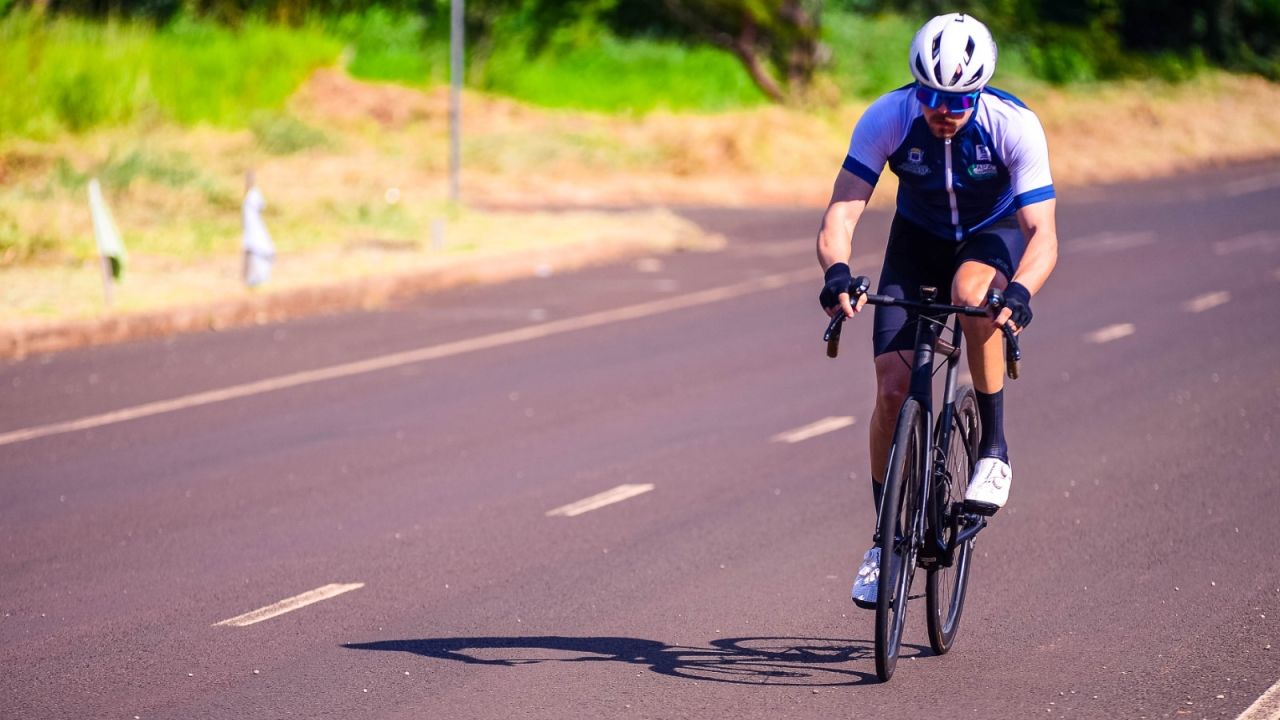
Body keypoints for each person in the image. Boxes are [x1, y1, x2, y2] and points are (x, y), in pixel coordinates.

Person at [815, 13, 1058, 608]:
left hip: (988, 234)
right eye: (931, 96)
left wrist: (1021, 292)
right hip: (917, 239)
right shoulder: (887, 117)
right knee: (892, 390)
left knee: (976, 297)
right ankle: (884, 542)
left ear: (979, 93)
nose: (942, 111)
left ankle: (994, 449)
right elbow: (841, 215)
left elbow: (1043, 234)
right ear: (915, 87)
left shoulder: (1013, 125)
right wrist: (837, 273)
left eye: (958, 100)